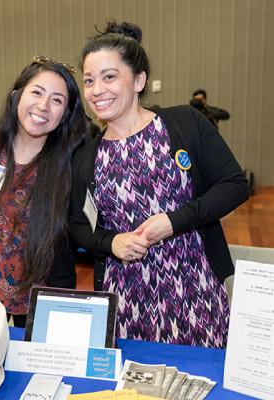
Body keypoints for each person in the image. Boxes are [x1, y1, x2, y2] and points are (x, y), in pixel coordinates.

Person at [69, 21, 249, 347]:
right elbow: (79, 226)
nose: (96, 90)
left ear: (138, 80)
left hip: (195, 291)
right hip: (125, 299)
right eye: (89, 80)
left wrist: (173, 221)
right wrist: (111, 242)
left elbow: (234, 185)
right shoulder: (86, 156)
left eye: (109, 77)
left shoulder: (184, 124)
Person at [0, 56, 87, 327]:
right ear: (17, 94)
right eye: (37, 92)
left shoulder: (72, 159)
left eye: (57, 100)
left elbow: (75, 225)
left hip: (44, 290)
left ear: (66, 112)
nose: (43, 106)